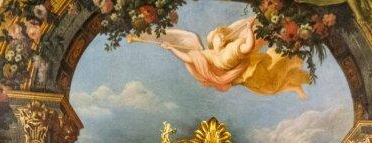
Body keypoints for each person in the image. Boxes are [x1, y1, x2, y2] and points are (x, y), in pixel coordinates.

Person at [130, 18, 309, 98]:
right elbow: (189, 58)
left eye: (223, 34)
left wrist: (248, 30)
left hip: (252, 71)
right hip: (249, 75)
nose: (222, 36)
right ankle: (293, 86)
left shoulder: (229, 51)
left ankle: (292, 84)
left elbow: (246, 47)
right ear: (212, 40)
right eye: (218, 35)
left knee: (274, 81)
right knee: (273, 83)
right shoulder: (210, 55)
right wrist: (171, 47)